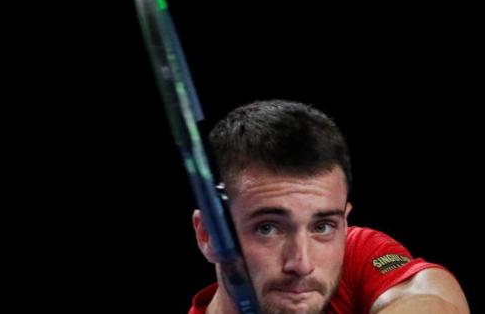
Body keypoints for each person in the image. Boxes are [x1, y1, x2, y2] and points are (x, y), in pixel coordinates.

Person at [189, 100, 469, 314]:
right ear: (208, 235)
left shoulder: (354, 253)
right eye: (267, 228)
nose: (302, 263)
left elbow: (435, 301)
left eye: (322, 227)